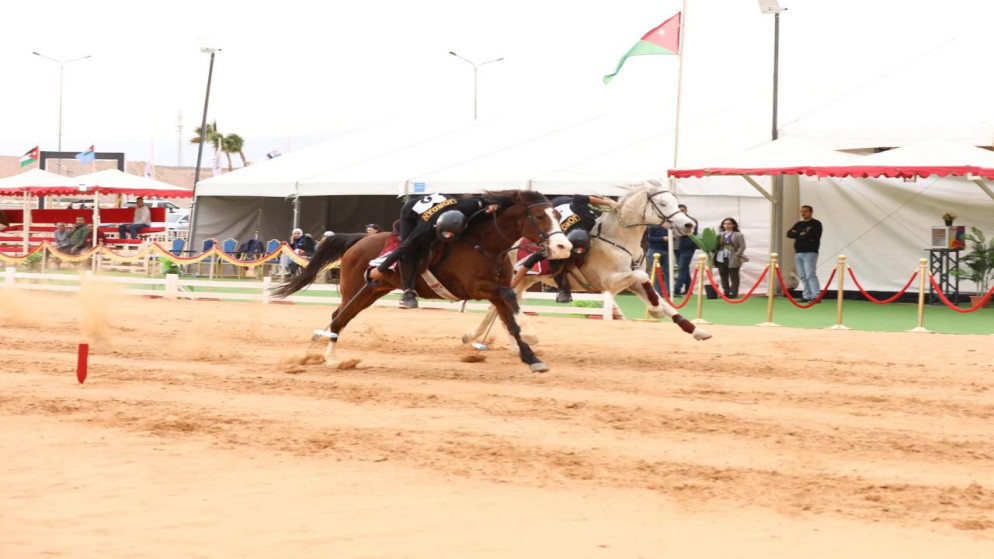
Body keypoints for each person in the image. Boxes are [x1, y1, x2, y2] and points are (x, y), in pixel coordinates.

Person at [368, 192, 499, 309]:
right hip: (411, 212)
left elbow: (490, 198)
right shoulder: (426, 227)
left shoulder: (469, 206)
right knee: (411, 250)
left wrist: (494, 204)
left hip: (445, 207)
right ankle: (408, 291)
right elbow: (405, 246)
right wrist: (380, 269)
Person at [509, 194, 620, 303]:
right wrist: (512, 285)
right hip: (556, 206)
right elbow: (529, 263)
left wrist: (610, 204)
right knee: (554, 257)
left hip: (571, 214)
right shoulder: (557, 234)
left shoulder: (589, 220)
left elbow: (578, 198)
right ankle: (563, 289)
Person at [786, 205, 823, 303]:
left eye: (805, 211)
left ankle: (816, 296)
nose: (803, 213)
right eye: (801, 211)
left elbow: (811, 236)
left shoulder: (816, 224)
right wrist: (800, 234)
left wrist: (798, 234)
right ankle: (807, 295)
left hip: (810, 252)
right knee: (802, 275)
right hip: (798, 253)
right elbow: (789, 234)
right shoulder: (799, 224)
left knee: (810, 274)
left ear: (811, 212)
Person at [714, 217, 748, 298]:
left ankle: (734, 292)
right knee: (723, 275)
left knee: (734, 276)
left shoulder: (738, 235)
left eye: (729, 224)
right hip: (721, 257)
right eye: (725, 224)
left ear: (733, 225)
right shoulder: (720, 234)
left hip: (733, 257)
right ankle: (726, 292)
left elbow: (742, 246)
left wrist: (737, 254)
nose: (726, 225)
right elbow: (715, 246)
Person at [672, 204, 699, 296]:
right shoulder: (673, 220)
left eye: (683, 210)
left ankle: (676, 289)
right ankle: (689, 288)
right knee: (684, 268)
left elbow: (691, 232)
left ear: (686, 210)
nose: (681, 212)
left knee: (682, 268)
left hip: (687, 247)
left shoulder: (691, 220)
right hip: (676, 247)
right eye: (679, 210)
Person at [645, 225, 669, 292]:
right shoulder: (652, 226)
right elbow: (649, 238)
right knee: (655, 271)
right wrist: (662, 239)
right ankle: (656, 291)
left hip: (666, 250)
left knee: (667, 271)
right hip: (654, 250)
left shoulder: (669, 227)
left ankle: (669, 291)